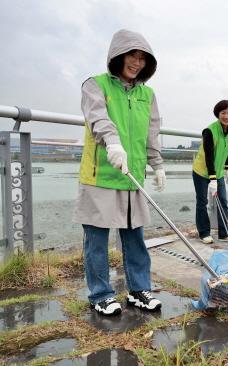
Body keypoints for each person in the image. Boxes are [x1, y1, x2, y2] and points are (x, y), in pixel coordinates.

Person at [73, 29, 165, 316]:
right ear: (118, 55)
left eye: (142, 58)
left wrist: (158, 165)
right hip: (101, 174)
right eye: (132, 56)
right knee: (97, 240)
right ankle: (101, 294)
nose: (136, 63)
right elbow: (97, 118)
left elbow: (152, 133)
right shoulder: (95, 85)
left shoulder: (147, 94)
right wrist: (112, 142)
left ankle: (139, 290)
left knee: (135, 237)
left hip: (131, 176)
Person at [192, 100, 228, 249]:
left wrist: (227, 168)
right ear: (218, 114)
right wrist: (212, 178)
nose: (226, 116)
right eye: (223, 113)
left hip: (218, 173)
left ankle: (224, 233)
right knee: (202, 202)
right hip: (201, 171)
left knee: (223, 201)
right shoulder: (210, 131)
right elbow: (209, 156)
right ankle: (204, 233)